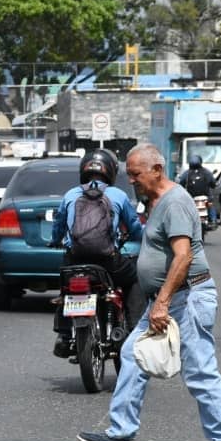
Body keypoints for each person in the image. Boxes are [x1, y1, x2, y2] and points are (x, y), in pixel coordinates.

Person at [76, 143, 221, 441]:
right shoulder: (154, 202)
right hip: (168, 298)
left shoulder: (175, 202)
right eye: (128, 175)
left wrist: (163, 303)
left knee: (200, 372)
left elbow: (183, 256)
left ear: (156, 170)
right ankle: (122, 434)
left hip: (187, 298)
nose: (132, 181)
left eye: (136, 174)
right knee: (130, 354)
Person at [49, 149, 144, 358]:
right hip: (108, 260)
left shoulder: (71, 195)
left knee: (66, 289)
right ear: (110, 171)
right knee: (134, 277)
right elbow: (134, 226)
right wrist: (144, 238)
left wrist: (55, 240)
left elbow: (58, 225)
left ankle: (64, 335)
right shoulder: (119, 195)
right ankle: (136, 328)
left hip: (76, 259)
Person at [177, 154, 218, 227]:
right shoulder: (206, 172)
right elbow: (213, 184)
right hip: (205, 197)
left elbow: (180, 184)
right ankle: (213, 220)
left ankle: (183, 221)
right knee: (210, 204)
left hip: (191, 198)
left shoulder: (187, 173)